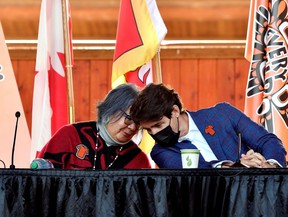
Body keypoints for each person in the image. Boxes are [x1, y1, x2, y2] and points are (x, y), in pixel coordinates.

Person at [130, 83, 287, 168]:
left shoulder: (223, 114)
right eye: (148, 129)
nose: (155, 133)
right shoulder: (159, 152)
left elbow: (268, 141)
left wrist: (269, 166)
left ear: (175, 111)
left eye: (158, 125)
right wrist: (238, 167)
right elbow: (200, 171)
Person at [37, 83, 151, 169]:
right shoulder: (70, 136)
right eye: (129, 119)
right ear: (111, 110)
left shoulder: (138, 160)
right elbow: (42, 182)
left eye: (138, 123)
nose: (133, 128)